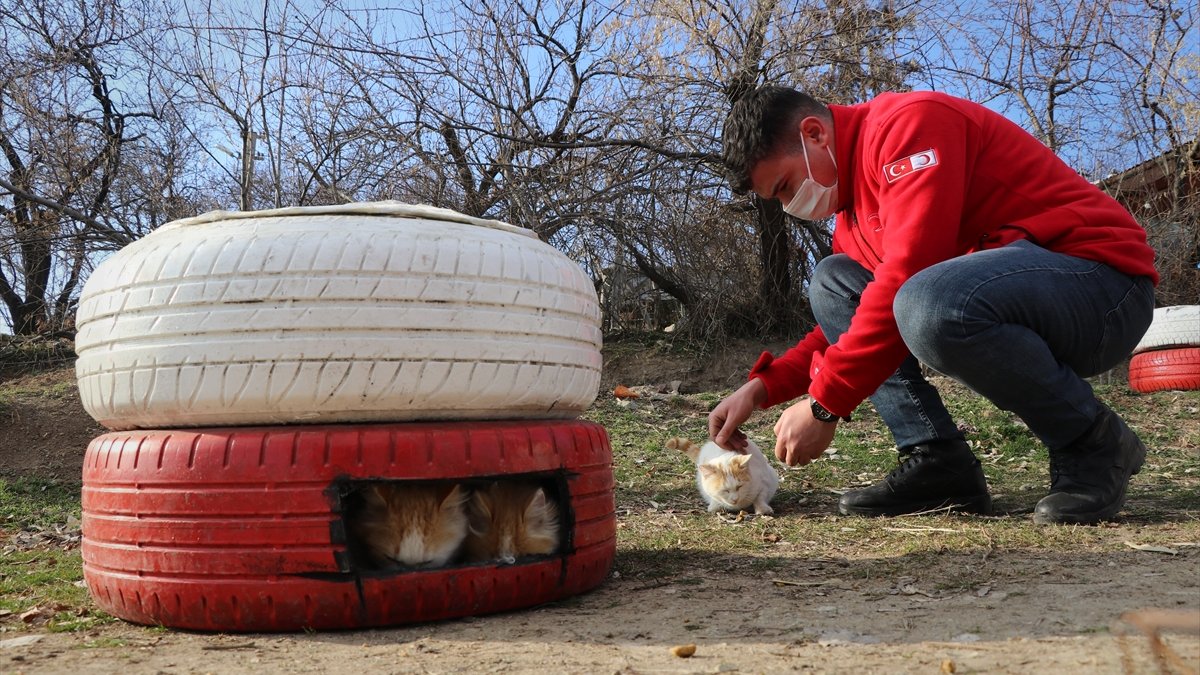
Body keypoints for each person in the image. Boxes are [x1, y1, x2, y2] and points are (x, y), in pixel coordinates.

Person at [709, 86, 1158, 525]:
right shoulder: (854, 220)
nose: (791, 205)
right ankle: (938, 461)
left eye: (785, 186)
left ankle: (1092, 440)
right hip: (1024, 296)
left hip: (1102, 288)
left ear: (815, 134)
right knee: (835, 279)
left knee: (930, 304)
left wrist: (825, 404)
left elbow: (908, 272)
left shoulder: (909, 125)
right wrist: (762, 388)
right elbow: (852, 327)